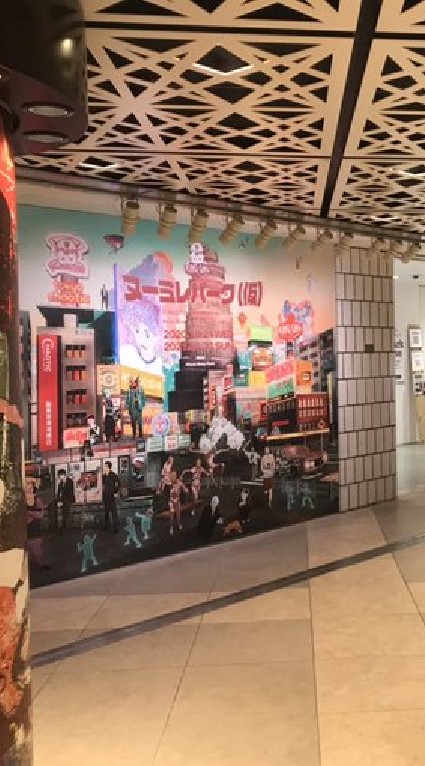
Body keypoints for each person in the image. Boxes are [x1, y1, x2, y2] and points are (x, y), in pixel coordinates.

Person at [102, 460, 120, 532]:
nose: (104, 467)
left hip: (111, 496)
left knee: (113, 512)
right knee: (106, 511)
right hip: (106, 496)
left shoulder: (113, 475)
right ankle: (107, 526)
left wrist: (115, 492)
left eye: (105, 466)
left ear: (108, 467)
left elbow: (117, 484)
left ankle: (115, 527)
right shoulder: (104, 476)